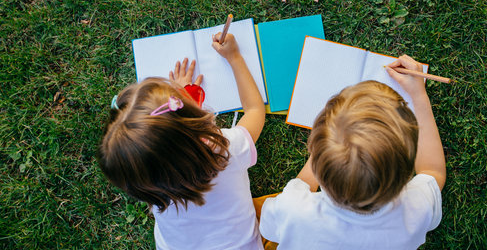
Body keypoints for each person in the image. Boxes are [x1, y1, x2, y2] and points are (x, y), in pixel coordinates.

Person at [98, 33, 266, 250]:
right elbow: (254, 110)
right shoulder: (225, 150)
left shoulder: (151, 181)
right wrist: (234, 58)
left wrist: (182, 113)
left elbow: (162, 144)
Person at [259, 55, 446, 249]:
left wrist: (323, 150)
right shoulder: (415, 210)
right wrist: (419, 96)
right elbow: (433, 172)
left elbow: (267, 229)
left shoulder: (292, 209)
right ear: (406, 171)